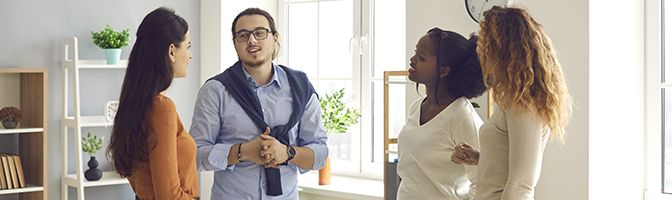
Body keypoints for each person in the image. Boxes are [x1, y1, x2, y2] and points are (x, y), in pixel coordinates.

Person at [189, 7, 328, 199]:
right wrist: (242, 152)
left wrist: (287, 152)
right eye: (243, 35)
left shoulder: (301, 87)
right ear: (235, 43)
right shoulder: (215, 90)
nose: (252, 40)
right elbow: (195, 155)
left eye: (260, 33)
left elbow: (320, 153)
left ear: (275, 38)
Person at [451, 6, 573, 200]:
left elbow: (521, 185)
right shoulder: (514, 102)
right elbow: (508, 167)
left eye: (486, 45)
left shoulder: (525, 107)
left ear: (504, 50)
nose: (481, 52)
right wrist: (478, 158)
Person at [106, 7, 197, 200]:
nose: (189, 55)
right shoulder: (162, 107)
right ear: (172, 50)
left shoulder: (135, 104)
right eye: (188, 46)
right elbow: (169, 197)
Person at [396, 28, 487, 200]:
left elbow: (483, 181)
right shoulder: (417, 107)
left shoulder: (462, 116)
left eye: (421, 58)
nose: (412, 60)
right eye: (416, 53)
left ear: (444, 71)